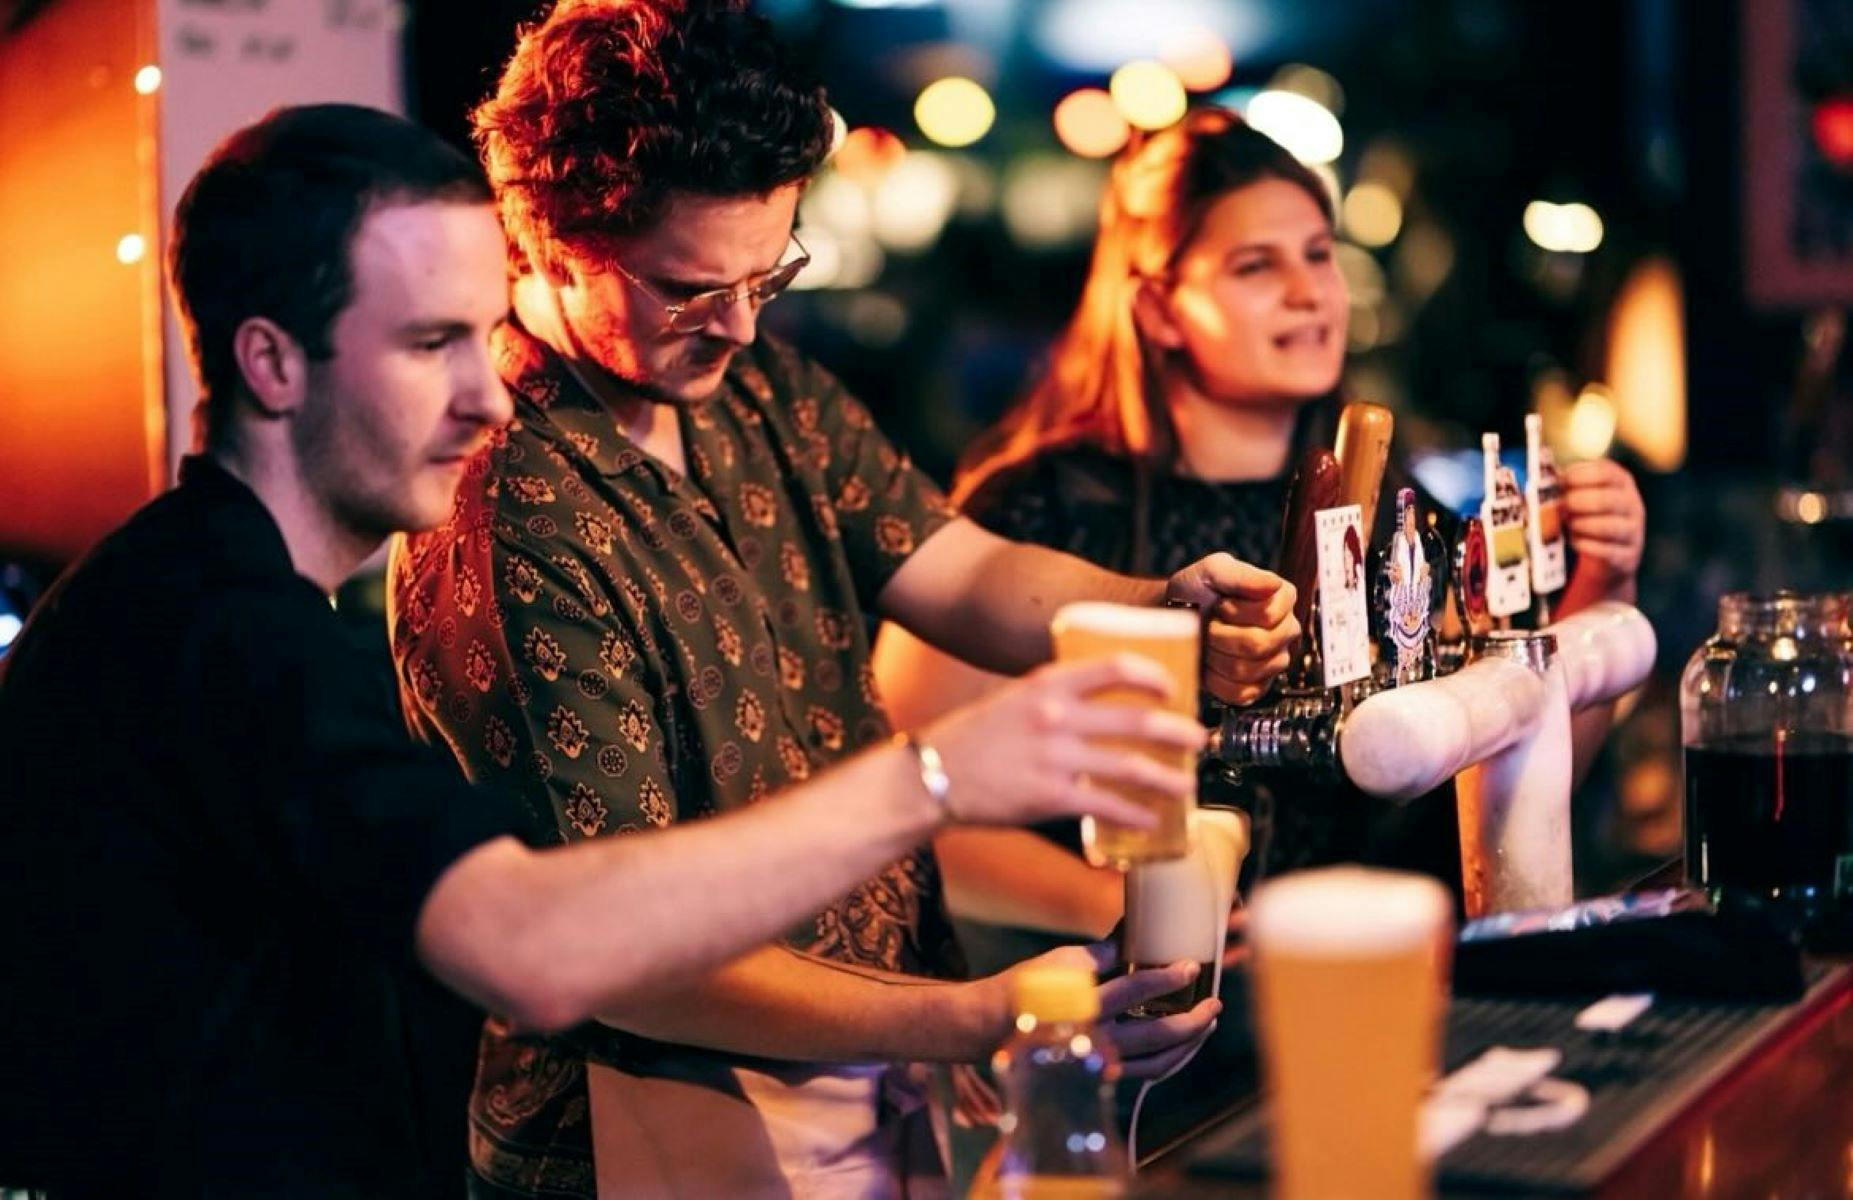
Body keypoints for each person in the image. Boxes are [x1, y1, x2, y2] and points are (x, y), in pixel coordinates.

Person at [0, 103, 1219, 1198]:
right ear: (271, 361)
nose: (485, 399)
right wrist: (940, 783)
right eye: (432, 345)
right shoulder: (218, 629)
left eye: (485, 339)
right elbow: (533, 946)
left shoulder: (227, 591)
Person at [390, 4, 1300, 1196]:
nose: (742, 321)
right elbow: (634, 958)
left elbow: (955, 565)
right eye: (688, 287)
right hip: (647, 1115)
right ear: (544, 241)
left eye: (769, 271)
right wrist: (975, 1016)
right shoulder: (508, 515)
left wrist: (1160, 604)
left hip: (871, 1059)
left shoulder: (756, 382)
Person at [873, 107, 1647, 958]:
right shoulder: (1040, 508)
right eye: (1254, 265)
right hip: (1134, 1022)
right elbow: (901, 809)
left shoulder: (1396, 511)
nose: (1308, 291)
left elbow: (1513, 789)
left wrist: (1601, 586)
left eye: (1318, 253)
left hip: (1366, 978)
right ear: (1159, 309)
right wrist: (1149, 915)